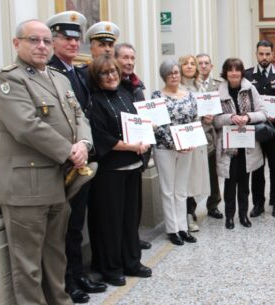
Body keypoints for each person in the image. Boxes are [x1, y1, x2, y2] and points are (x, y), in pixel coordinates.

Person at [0, 19, 92, 305]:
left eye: (47, 41)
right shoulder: (9, 79)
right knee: (28, 265)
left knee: (55, 256)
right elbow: (26, 126)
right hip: (26, 187)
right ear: (16, 43)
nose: (41, 46)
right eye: (33, 40)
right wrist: (69, 151)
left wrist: (84, 144)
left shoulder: (58, 78)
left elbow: (79, 116)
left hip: (59, 183)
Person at [46, 11, 106, 303]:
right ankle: (68, 281)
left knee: (76, 223)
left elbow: (84, 114)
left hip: (82, 158)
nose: (72, 43)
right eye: (65, 38)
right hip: (61, 161)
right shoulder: (49, 71)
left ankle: (78, 273)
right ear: (53, 40)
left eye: (75, 39)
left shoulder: (77, 72)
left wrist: (85, 147)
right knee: (64, 226)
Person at [88, 55, 152, 286]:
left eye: (113, 71)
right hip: (110, 172)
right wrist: (131, 146)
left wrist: (144, 141)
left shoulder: (126, 95)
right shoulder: (95, 101)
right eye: (105, 73)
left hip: (133, 166)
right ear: (96, 77)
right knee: (111, 222)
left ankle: (132, 262)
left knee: (129, 219)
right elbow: (101, 136)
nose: (111, 76)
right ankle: (112, 268)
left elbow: (139, 124)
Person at [214, 58, 268, 229]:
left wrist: (247, 117)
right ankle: (229, 216)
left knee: (244, 183)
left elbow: (264, 113)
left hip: (247, 143)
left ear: (242, 72)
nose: (234, 73)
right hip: (228, 145)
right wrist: (230, 117)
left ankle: (243, 215)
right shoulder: (218, 91)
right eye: (231, 70)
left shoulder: (250, 89)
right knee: (230, 183)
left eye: (237, 70)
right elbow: (214, 120)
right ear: (226, 72)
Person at [151, 59, 199, 246]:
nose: (174, 76)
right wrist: (174, 143)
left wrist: (191, 140)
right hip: (165, 148)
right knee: (168, 189)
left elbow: (195, 120)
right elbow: (156, 125)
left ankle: (183, 227)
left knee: (181, 189)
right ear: (164, 76)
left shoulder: (188, 95)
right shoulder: (157, 96)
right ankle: (172, 229)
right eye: (170, 73)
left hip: (186, 147)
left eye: (176, 72)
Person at [114, 42, 153, 251]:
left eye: (132, 58)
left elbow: (143, 114)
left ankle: (133, 238)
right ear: (115, 59)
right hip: (121, 150)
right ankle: (123, 244)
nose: (129, 62)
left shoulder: (136, 85)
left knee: (134, 203)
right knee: (119, 207)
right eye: (125, 58)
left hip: (139, 149)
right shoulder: (112, 84)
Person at [244, 40, 275, 218]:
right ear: (256, 54)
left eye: (267, 54)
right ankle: (258, 204)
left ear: (272, 54)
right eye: (261, 54)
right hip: (254, 130)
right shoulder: (247, 75)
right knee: (256, 169)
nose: (264, 57)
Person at [178, 54, 219, 232]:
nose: (189, 66)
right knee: (184, 180)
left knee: (196, 178)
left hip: (201, 136)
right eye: (185, 64)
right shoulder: (176, 86)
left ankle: (193, 210)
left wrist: (208, 116)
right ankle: (186, 215)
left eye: (191, 64)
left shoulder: (200, 87)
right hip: (183, 138)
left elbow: (206, 110)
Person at [190, 53, 224, 222]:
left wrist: (214, 117)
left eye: (206, 63)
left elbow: (224, 108)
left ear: (211, 66)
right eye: (200, 63)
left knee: (212, 172)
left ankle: (213, 204)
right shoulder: (188, 86)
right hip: (194, 134)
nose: (203, 66)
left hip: (212, 135)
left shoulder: (218, 86)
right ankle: (190, 209)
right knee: (192, 173)